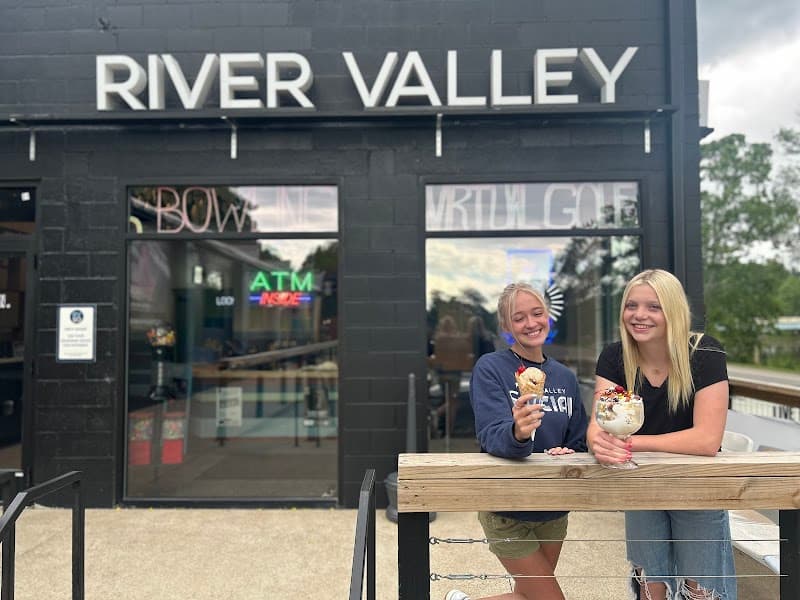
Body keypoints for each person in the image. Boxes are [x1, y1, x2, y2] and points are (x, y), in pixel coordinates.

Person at [588, 269, 736, 600]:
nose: (639, 315)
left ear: (673, 311)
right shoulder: (615, 357)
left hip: (698, 487)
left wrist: (630, 442)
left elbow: (707, 440)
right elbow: (599, 425)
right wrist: (598, 442)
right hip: (641, 483)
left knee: (702, 589)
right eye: (632, 305)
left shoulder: (705, 353)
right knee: (650, 585)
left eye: (653, 307)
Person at [446, 283, 588, 600]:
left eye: (537, 313)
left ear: (548, 316)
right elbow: (490, 434)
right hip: (507, 508)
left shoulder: (564, 377)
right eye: (519, 317)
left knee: (529, 596)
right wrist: (518, 432)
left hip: (553, 509)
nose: (531, 323)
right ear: (506, 326)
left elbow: (578, 439)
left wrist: (569, 452)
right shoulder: (491, 368)